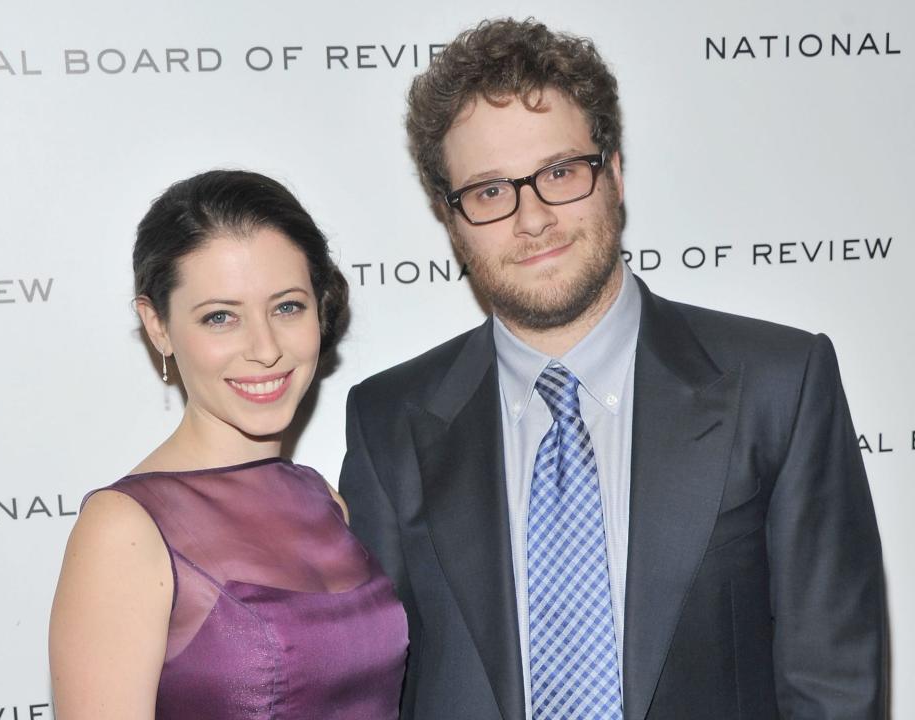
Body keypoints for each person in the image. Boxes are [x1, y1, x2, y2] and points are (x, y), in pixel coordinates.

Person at [338, 18, 887, 720]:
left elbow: (833, 683)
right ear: (452, 221)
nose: (531, 218)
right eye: (489, 192)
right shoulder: (389, 422)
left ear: (615, 174)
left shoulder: (779, 384)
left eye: (560, 173)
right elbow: (374, 693)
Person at [49, 170, 407, 719]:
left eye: (287, 307)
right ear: (158, 326)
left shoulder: (324, 499)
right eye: (221, 317)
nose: (264, 348)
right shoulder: (126, 529)